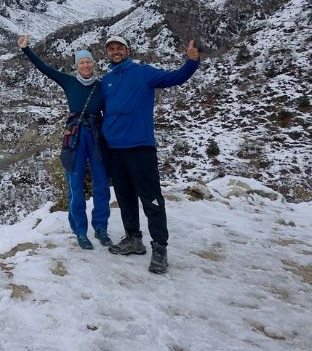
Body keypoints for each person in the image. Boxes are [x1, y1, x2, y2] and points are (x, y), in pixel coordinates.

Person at [101, 35, 200, 274]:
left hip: (140, 147)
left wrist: (191, 62)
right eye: (111, 49)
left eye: (119, 48)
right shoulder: (106, 80)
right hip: (114, 149)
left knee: (151, 198)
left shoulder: (143, 72)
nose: (115, 51)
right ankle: (134, 239)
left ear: (127, 50)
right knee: (124, 198)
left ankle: (160, 248)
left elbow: (174, 78)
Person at [18, 35, 110, 250]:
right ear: (76, 66)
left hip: (96, 135)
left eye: (89, 61)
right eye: (82, 62)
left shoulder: (102, 86)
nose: (86, 65)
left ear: (93, 64)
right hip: (75, 135)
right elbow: (45, 69)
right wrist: (26, 50)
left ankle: (101, 228)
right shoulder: (69, 82)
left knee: (102, 184)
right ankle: (80, 231)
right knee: (75, 184)